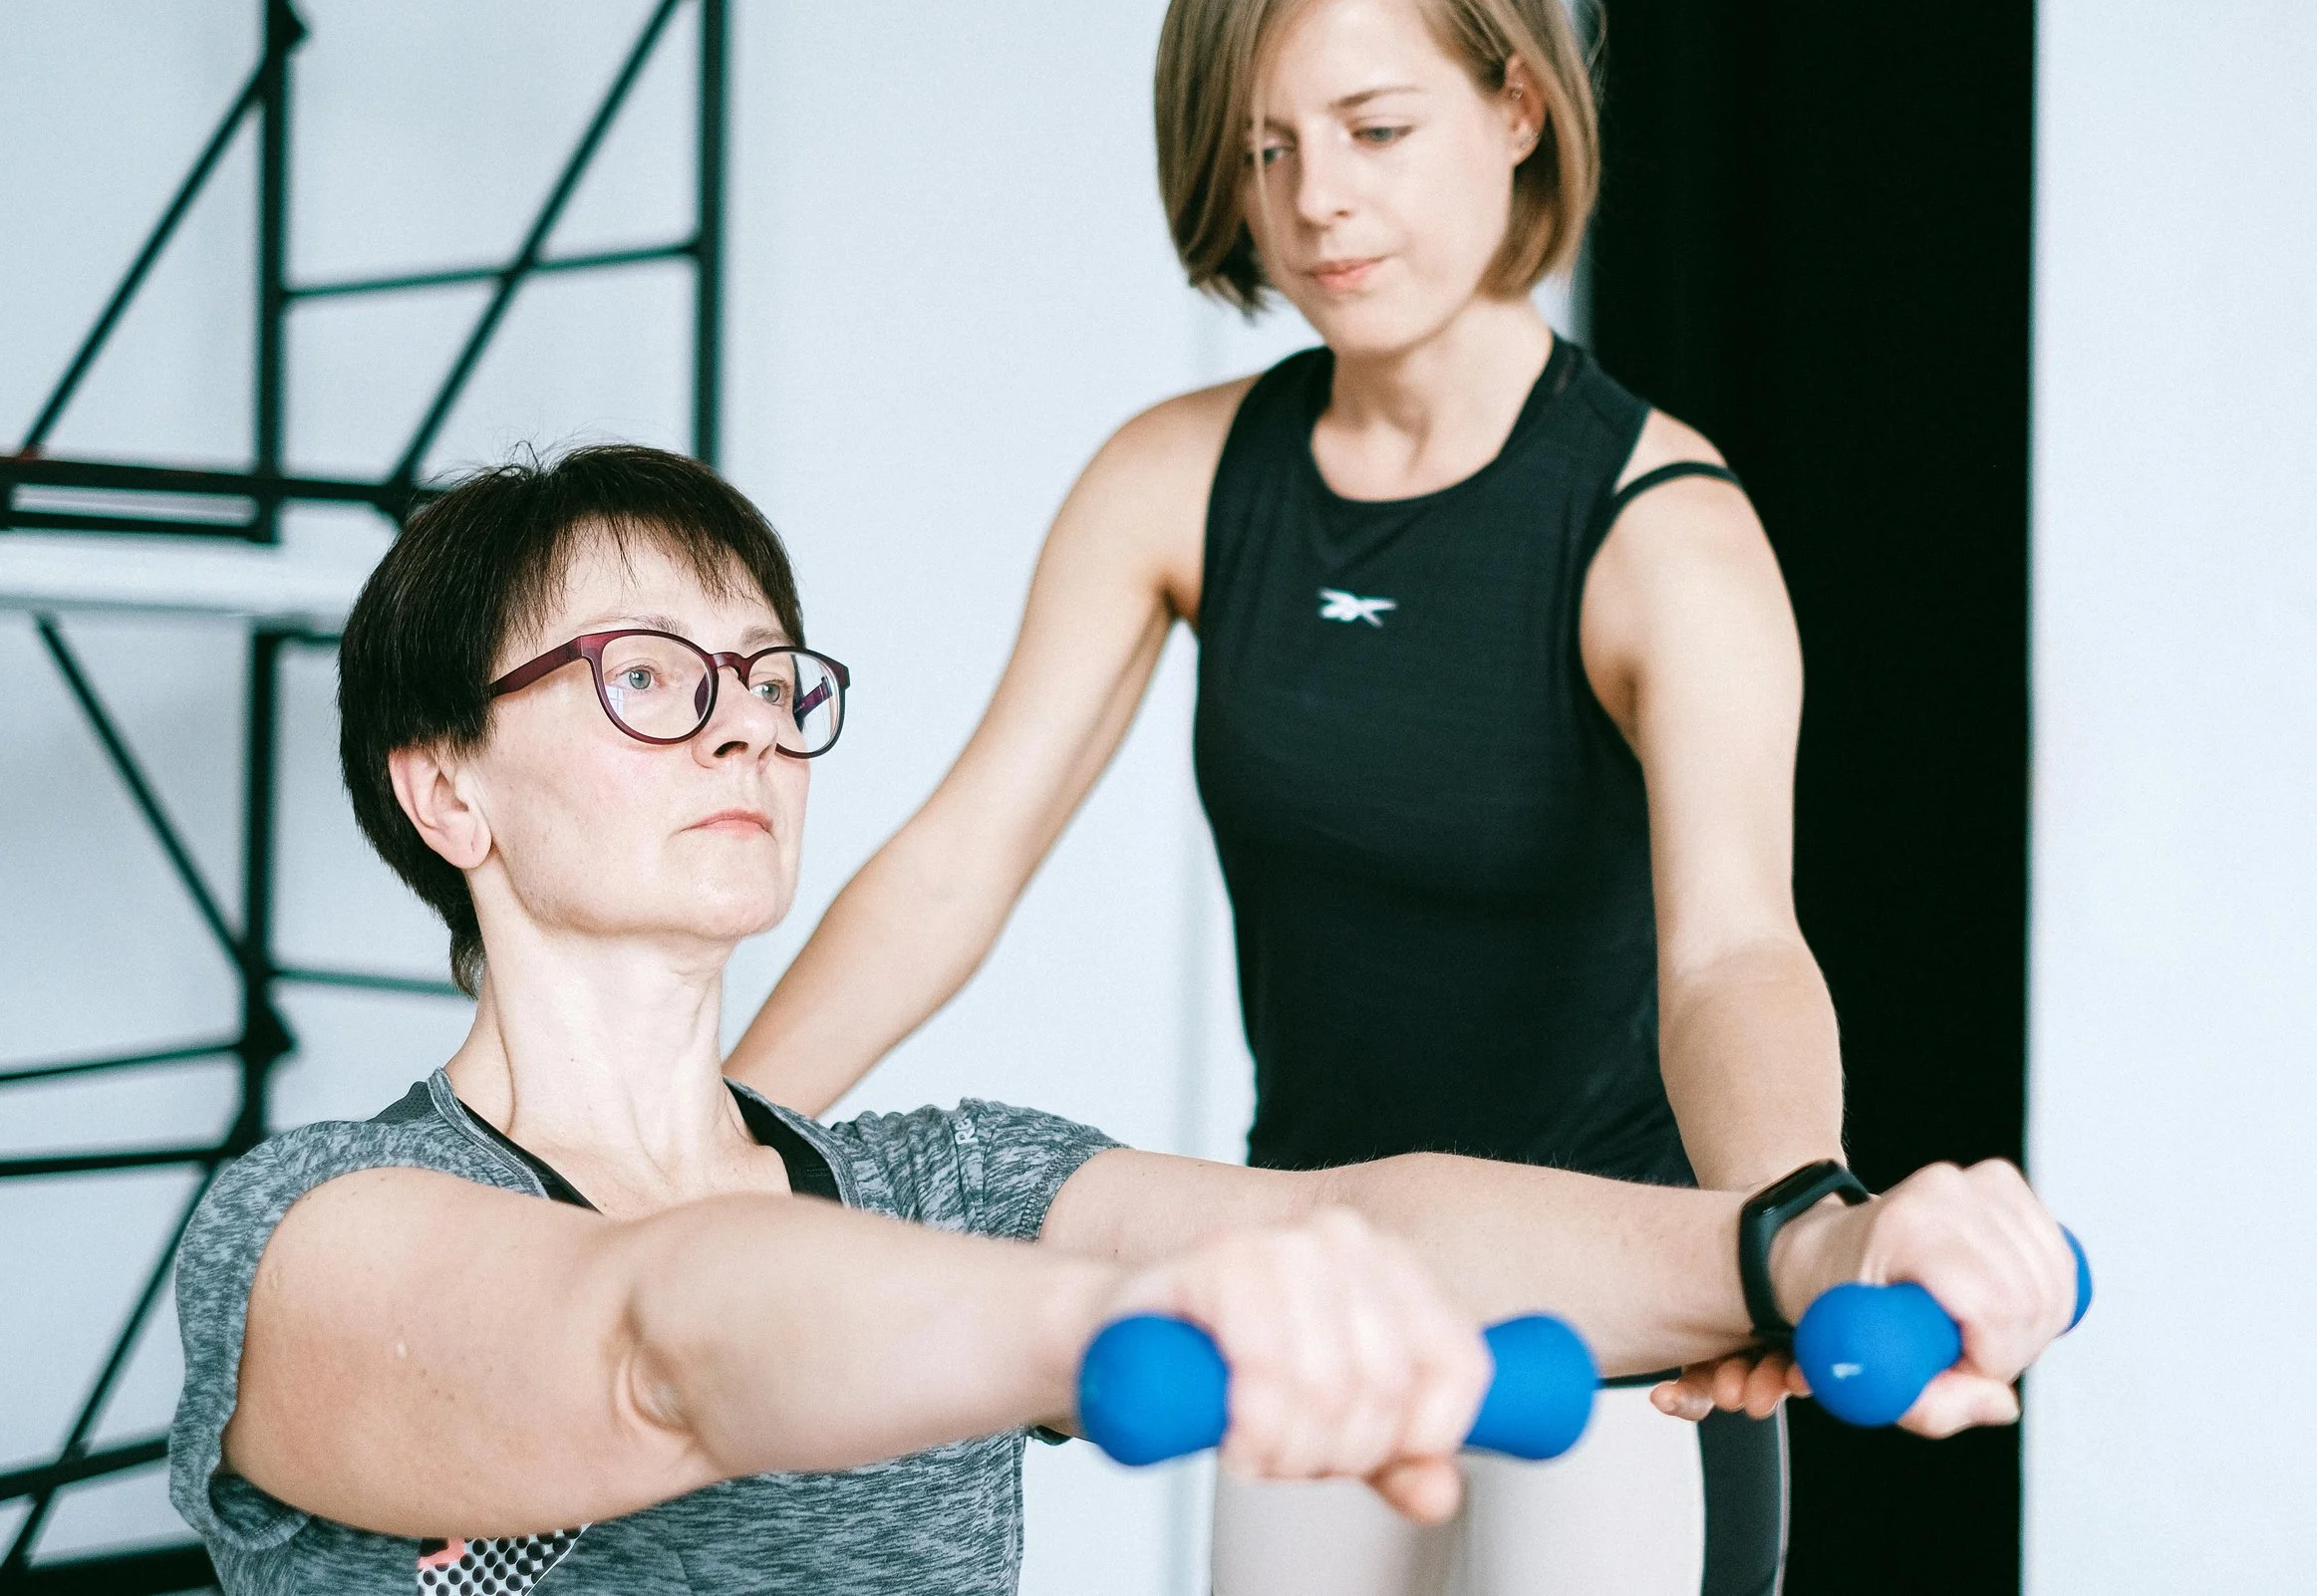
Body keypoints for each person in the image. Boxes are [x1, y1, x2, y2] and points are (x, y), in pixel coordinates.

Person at [169, 448, 2077, 1596]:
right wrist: (1113, 1326)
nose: (746, 720)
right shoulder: (317, 1229)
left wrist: (1806, 1234)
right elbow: (653, 1340)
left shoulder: (949, 1182)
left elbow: (1361, 1220)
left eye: (769, 677)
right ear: (448, 793)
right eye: (651, 678)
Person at [728, 0, 1835, 1589]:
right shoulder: (1177, 479)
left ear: (1516, 105)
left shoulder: (1661, 533)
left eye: (1377, 128)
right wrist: (714, 1153)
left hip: (1600, 1328)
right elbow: (964, 858)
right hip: (1310, 1293)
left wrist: (1782, 1236)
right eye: (1268, 144)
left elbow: (1736, 948)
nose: (1318, 198)